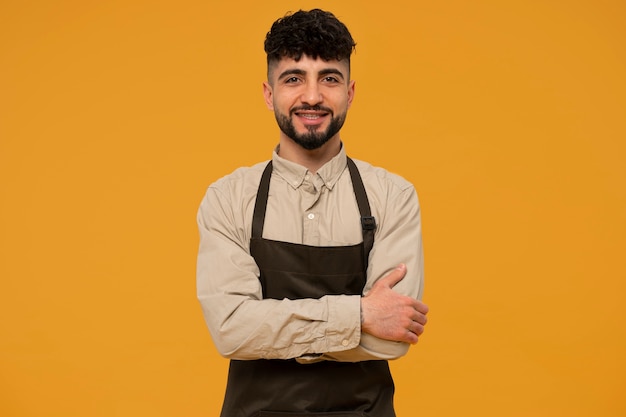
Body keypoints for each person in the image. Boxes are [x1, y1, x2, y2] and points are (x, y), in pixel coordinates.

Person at [196, 8, 429, 417]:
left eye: (329, 78)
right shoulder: (228, 198)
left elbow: (391, 339)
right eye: (293, 78)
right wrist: (360, 314)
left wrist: (271, 330)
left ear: (350, 92)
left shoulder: (393, 196)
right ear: (269, 94)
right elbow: (231, 330)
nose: (312, 96)